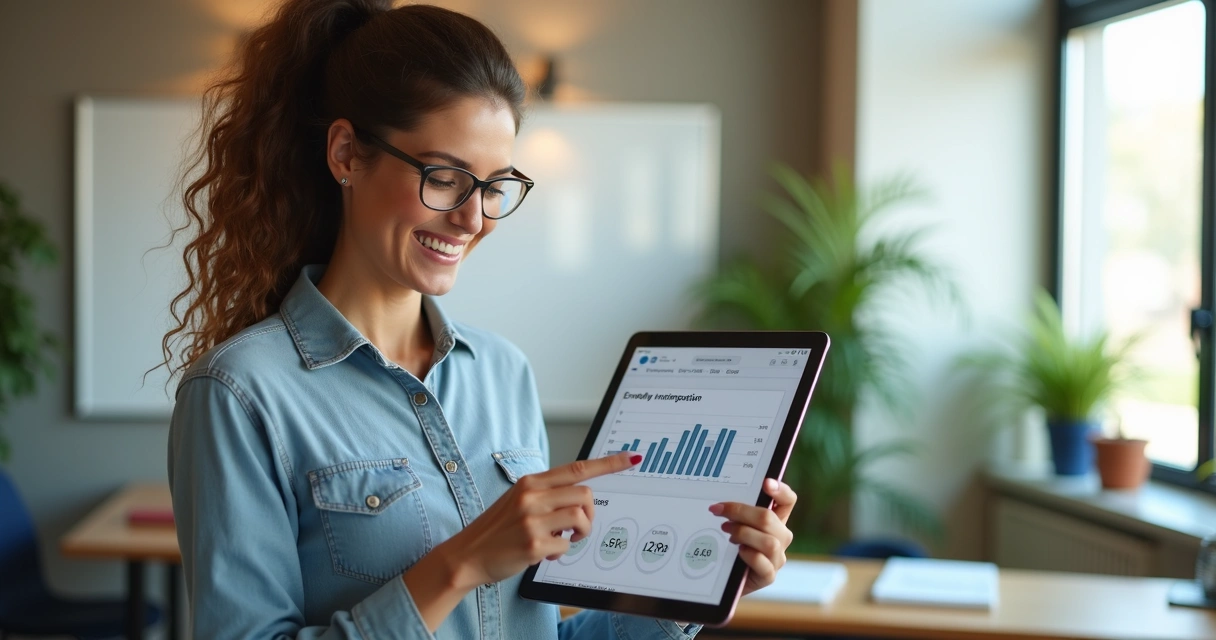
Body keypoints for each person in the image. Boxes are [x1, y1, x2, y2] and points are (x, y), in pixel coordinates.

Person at [163, 1, 798, 638]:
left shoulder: (502, 372)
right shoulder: (240, 394)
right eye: (446, 177)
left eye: (494, 186)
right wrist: (462, 563)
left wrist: (695, 589)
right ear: (348, 154)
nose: (474, 219)